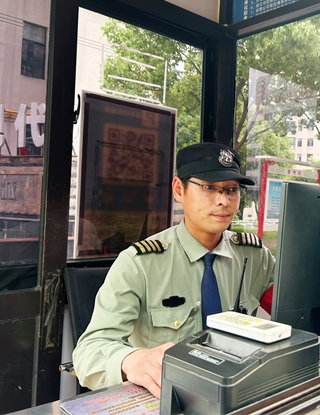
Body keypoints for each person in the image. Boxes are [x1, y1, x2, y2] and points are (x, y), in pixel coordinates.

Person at [72, 142, 275, 398]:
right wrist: (132, 360)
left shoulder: (254, 256)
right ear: (179, 189)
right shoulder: (140, 263)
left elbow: (295, 308)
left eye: (231, 190)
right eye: (209, 187)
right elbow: (89, 351)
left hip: (238, 392)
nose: (223, 200)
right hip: (170, 396)